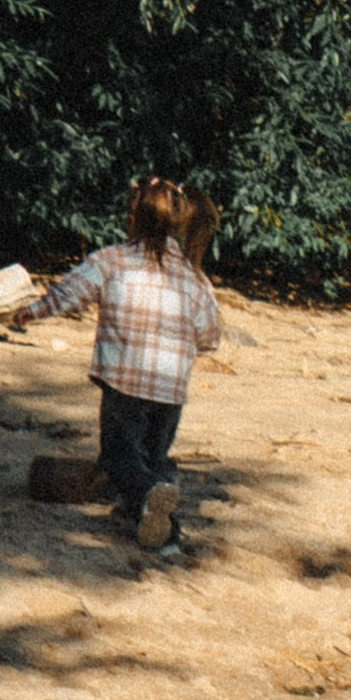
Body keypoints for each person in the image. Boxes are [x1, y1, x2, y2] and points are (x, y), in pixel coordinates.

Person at [12, 177, 221, 552]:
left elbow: (71, 292)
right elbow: (210, 337)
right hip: (170, 390)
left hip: (124, 382)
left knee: (119, 456)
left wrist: (32, 312)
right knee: (154, 459)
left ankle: (148, 497)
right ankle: (164, 536)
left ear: (133, 216)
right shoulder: (194, 278)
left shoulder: (112, 261)